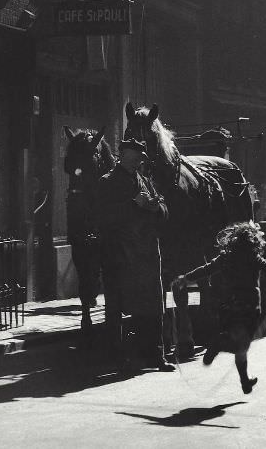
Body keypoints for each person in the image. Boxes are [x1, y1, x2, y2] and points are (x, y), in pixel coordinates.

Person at [173, 221, 266, 394]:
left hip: (229, 305)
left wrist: (186, 278)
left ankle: (244, 380)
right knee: (241, 346)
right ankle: (218, 345)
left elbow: (207, 269)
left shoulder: (225, 257)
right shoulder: (253, 257)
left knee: (239, 342)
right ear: (254, 241)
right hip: (250, 307)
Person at [97, 138, 175, 372]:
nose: (137, 162)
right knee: (117, 309)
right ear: (121, 156)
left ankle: (155, 356)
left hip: (147, 254)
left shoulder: (145, 181)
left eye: (139, 159)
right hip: (120, 256)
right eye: (133, 158)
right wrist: (133, 204)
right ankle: (118, 358)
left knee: (152, 306)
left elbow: (164, 213)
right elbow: (103, 218)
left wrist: (155, 206)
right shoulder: (107, 182)